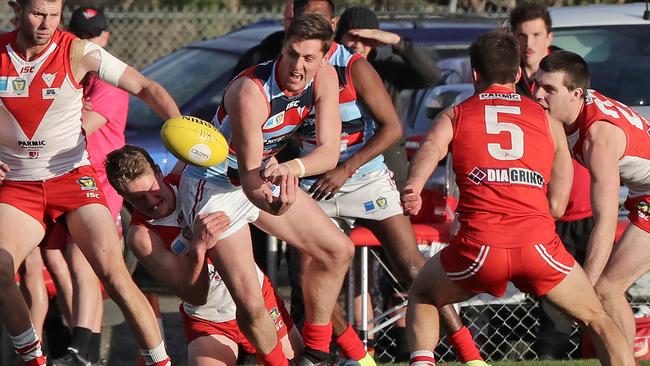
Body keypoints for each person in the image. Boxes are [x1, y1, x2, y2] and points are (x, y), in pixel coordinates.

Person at [402, 30, 634, 366]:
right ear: (517, 75)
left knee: (423, 295)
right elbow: (563, 177)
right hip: (537, 245)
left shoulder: (457, 114)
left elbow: (431, 148)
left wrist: (414, 185)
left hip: (480, 248)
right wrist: (551, 210)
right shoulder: (546, 119)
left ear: (475, 74)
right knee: (597, 317)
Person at [291, 3, 486, 365]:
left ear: (332, 24)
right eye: (304, 17)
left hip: (362, 178)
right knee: (310, 278)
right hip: (314, 185)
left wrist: (346, 169)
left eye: (320, 19)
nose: (311, 25)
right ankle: (358, 358)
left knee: (413, 270)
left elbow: (393, 127)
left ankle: (471, 357)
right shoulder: (285, 67)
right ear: (291, 19)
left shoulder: (354, 66)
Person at [0, 0, 181, 365]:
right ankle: (34, 359)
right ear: (17, 9)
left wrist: (182, 130)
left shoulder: (78, 51)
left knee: (114, 275)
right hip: (20, 184)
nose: (46, 24)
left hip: (72, 178)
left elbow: (145, 87)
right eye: (37, 13)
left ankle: (161, 361)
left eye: (53, 14)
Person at [179, 13, 353, 366]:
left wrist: (291, 167)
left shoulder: (326, 78)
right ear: (282, 47)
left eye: (308, 58)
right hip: (216, 188)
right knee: (251, 302)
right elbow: (248, 181)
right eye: (291, 54)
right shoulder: (251, 93)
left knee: (338, 250)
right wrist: (276, 206)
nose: (297, 66)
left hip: (263, 177)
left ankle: (316, 355)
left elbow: (329, 152)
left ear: (325, 57)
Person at [104, 145, 303, 366]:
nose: (151, 202)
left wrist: (272, 163)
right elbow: (195, 295)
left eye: (152, 189)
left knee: (298, 358)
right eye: (138, 199)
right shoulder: (141, 236)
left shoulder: (190, 178)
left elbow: (239, 142)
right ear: (122, 197)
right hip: (210, 319)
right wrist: (199, 245)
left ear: (159, 171)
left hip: (257, 298)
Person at [534, 50, 650, 351]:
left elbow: (606, 223)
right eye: (537, 85)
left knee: (604, 290)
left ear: (576, 94)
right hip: (643, 192)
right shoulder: (573, 108)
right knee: (608, 290)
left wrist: (580, 289)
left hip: (645, 194)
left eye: (549, 89)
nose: (538, 95)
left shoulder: (598, 137)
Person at [44, 7, 131, 365]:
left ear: (106, 38)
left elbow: (81, 125)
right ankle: (79, 337)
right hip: (65, 176)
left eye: (94, 36)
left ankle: (84, 347)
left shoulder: (107, 80)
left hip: (99, 183)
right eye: (80, 35)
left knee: (83, 262)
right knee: (52, 256)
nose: (87, 43)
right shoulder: (74, 73)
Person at [509, 2, 593, 358]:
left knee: (599, 299)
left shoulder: (566, 74)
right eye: (522, 35)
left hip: (584, 205)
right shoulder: (509, 84)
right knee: (553, 310)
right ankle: (551, 353)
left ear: (549, 37)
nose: (529, 42)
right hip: (541, 210)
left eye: (537, 34)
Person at [334, 6, 440, 189]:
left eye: (366, 39)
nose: (357, 44)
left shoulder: (386, 69)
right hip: (340, 165)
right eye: (352, 36)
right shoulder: (327, 72)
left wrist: (398, 42)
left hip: (386, 168)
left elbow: (431, 76)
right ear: (340, 37)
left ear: (375, 41)